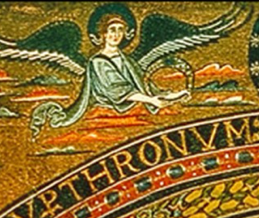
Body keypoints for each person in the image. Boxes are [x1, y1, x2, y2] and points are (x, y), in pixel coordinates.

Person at [31, 10, 187, 135]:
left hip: (132, 108)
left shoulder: (128, 60)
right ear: (103, 34)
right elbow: (117, 89)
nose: (116, 34)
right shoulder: (97, 62)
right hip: (107, 112)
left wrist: (169, 95)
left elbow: (143, 83)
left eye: (120, 30)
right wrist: (151, 100)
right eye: (112, 30)